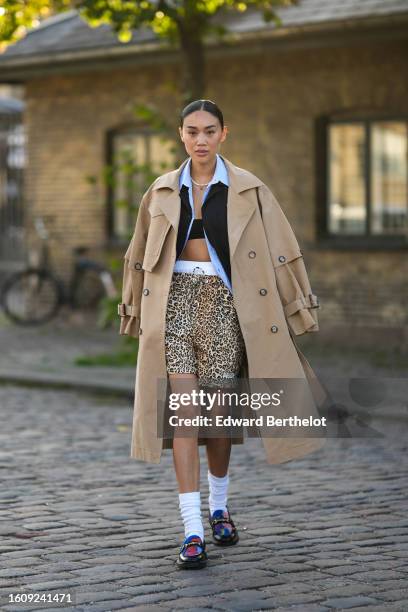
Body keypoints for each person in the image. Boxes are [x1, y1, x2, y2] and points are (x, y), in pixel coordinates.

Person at [118, 98, 324, 570]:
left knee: (218, 421)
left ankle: (218, 506)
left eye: (209, 131)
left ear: (223, 134)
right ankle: (192, 531)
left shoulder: (249, 190)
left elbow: (283, 251)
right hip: (174, 308)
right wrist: (132, 312)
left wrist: (298, 309)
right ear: (181, 135)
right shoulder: (163, 190)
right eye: (192, 131)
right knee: (184, 416)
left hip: (227, 307)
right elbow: (137, 254)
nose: (201, 140)